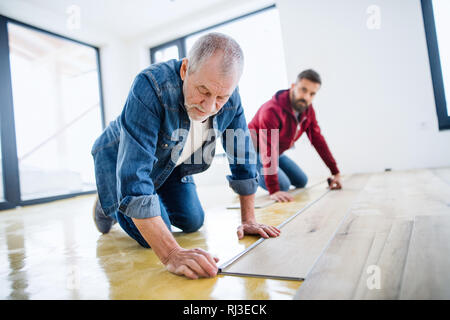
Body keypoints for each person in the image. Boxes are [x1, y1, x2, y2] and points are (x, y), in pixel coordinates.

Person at [91, 33, 280, 280]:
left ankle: (141, 197)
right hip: (119, 159)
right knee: (154, 237)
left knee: (193, 221)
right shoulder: (150, 85)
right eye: (203, 90)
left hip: (170, 163)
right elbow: (134, 180)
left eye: (220, 98)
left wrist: (248, 219)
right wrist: (171, 254)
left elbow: (242, 156)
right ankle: (107, 205)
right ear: (185, 69)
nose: (210, 106)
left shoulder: (230, 97)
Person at [248, 69, 342, 203]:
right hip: (252, 151)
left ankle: (262, 174)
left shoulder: (307, 110)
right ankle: (245, 175)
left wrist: (335, 172)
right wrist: (274, 189)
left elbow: (318, 140)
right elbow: (268, 149)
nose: (306, 97)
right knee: (282, 186)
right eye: (303, 90)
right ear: (293, 87)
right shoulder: (271, 110)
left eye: (312, 94)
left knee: (301, 181)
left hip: (275, 151)